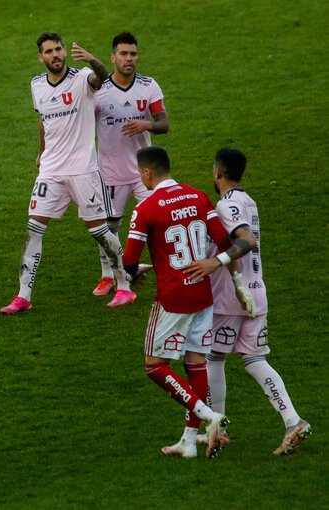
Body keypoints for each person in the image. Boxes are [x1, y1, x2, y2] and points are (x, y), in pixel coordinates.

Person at [123, 146, 255, 459]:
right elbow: (225, 242)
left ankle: (208, 415)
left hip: (172, 298)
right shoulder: (197, 196)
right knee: (196, 364)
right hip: (202, 293)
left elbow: (129, 257)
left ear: (146, 173)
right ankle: (188, 440)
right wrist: (236, 282)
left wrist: (132, 273)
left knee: (155, 366)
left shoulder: (147, 207)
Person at [184, 148, 310, 455]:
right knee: (255, 360)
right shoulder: (249, 201)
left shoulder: (227, 205)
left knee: (213, 357)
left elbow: (245, 240)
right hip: (257, 292)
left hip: (231, 296)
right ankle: (292, 420)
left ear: (218, 172)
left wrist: (216, 263)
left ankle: (218, 428)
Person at [0, 32, 134, 314]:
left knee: (100, 231)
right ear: (41, 57)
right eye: (48, 51)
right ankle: (23, 295)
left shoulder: (82, 78)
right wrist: (41, 151)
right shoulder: (36, 84)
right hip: (50, 171)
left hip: (83, 170)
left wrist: (94, 60)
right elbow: (43, 120)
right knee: (33, 230)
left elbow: (102, 76)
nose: (55, 55)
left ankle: (124, 285)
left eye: (58, 49)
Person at [90, 32, 169, 297]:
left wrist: (147, 124)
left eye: (133, 54)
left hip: (144, 172)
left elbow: (163, 123)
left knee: (159, 219)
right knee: (109, 227)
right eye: (123, 54)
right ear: (113, 58)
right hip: (111, 172)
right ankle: (107, 276)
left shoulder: (148, 86)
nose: (129, 59)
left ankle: (165, 265)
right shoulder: (99, 91)